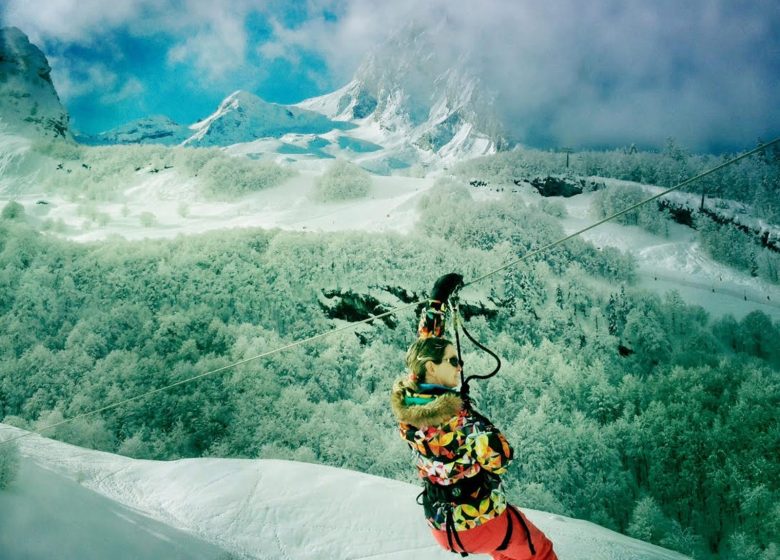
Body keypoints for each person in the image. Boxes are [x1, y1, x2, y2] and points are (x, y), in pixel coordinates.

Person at [390, 274, 557, 559]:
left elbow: (425, 348)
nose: (460, 366)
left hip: (441, 524)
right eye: (453, 361)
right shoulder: (461, 424)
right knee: (538, 551)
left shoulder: (409, 402)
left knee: (507, 552)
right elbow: (500, 457)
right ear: (432, 368)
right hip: (479, 520)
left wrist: (436, 304)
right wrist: (474, 418)